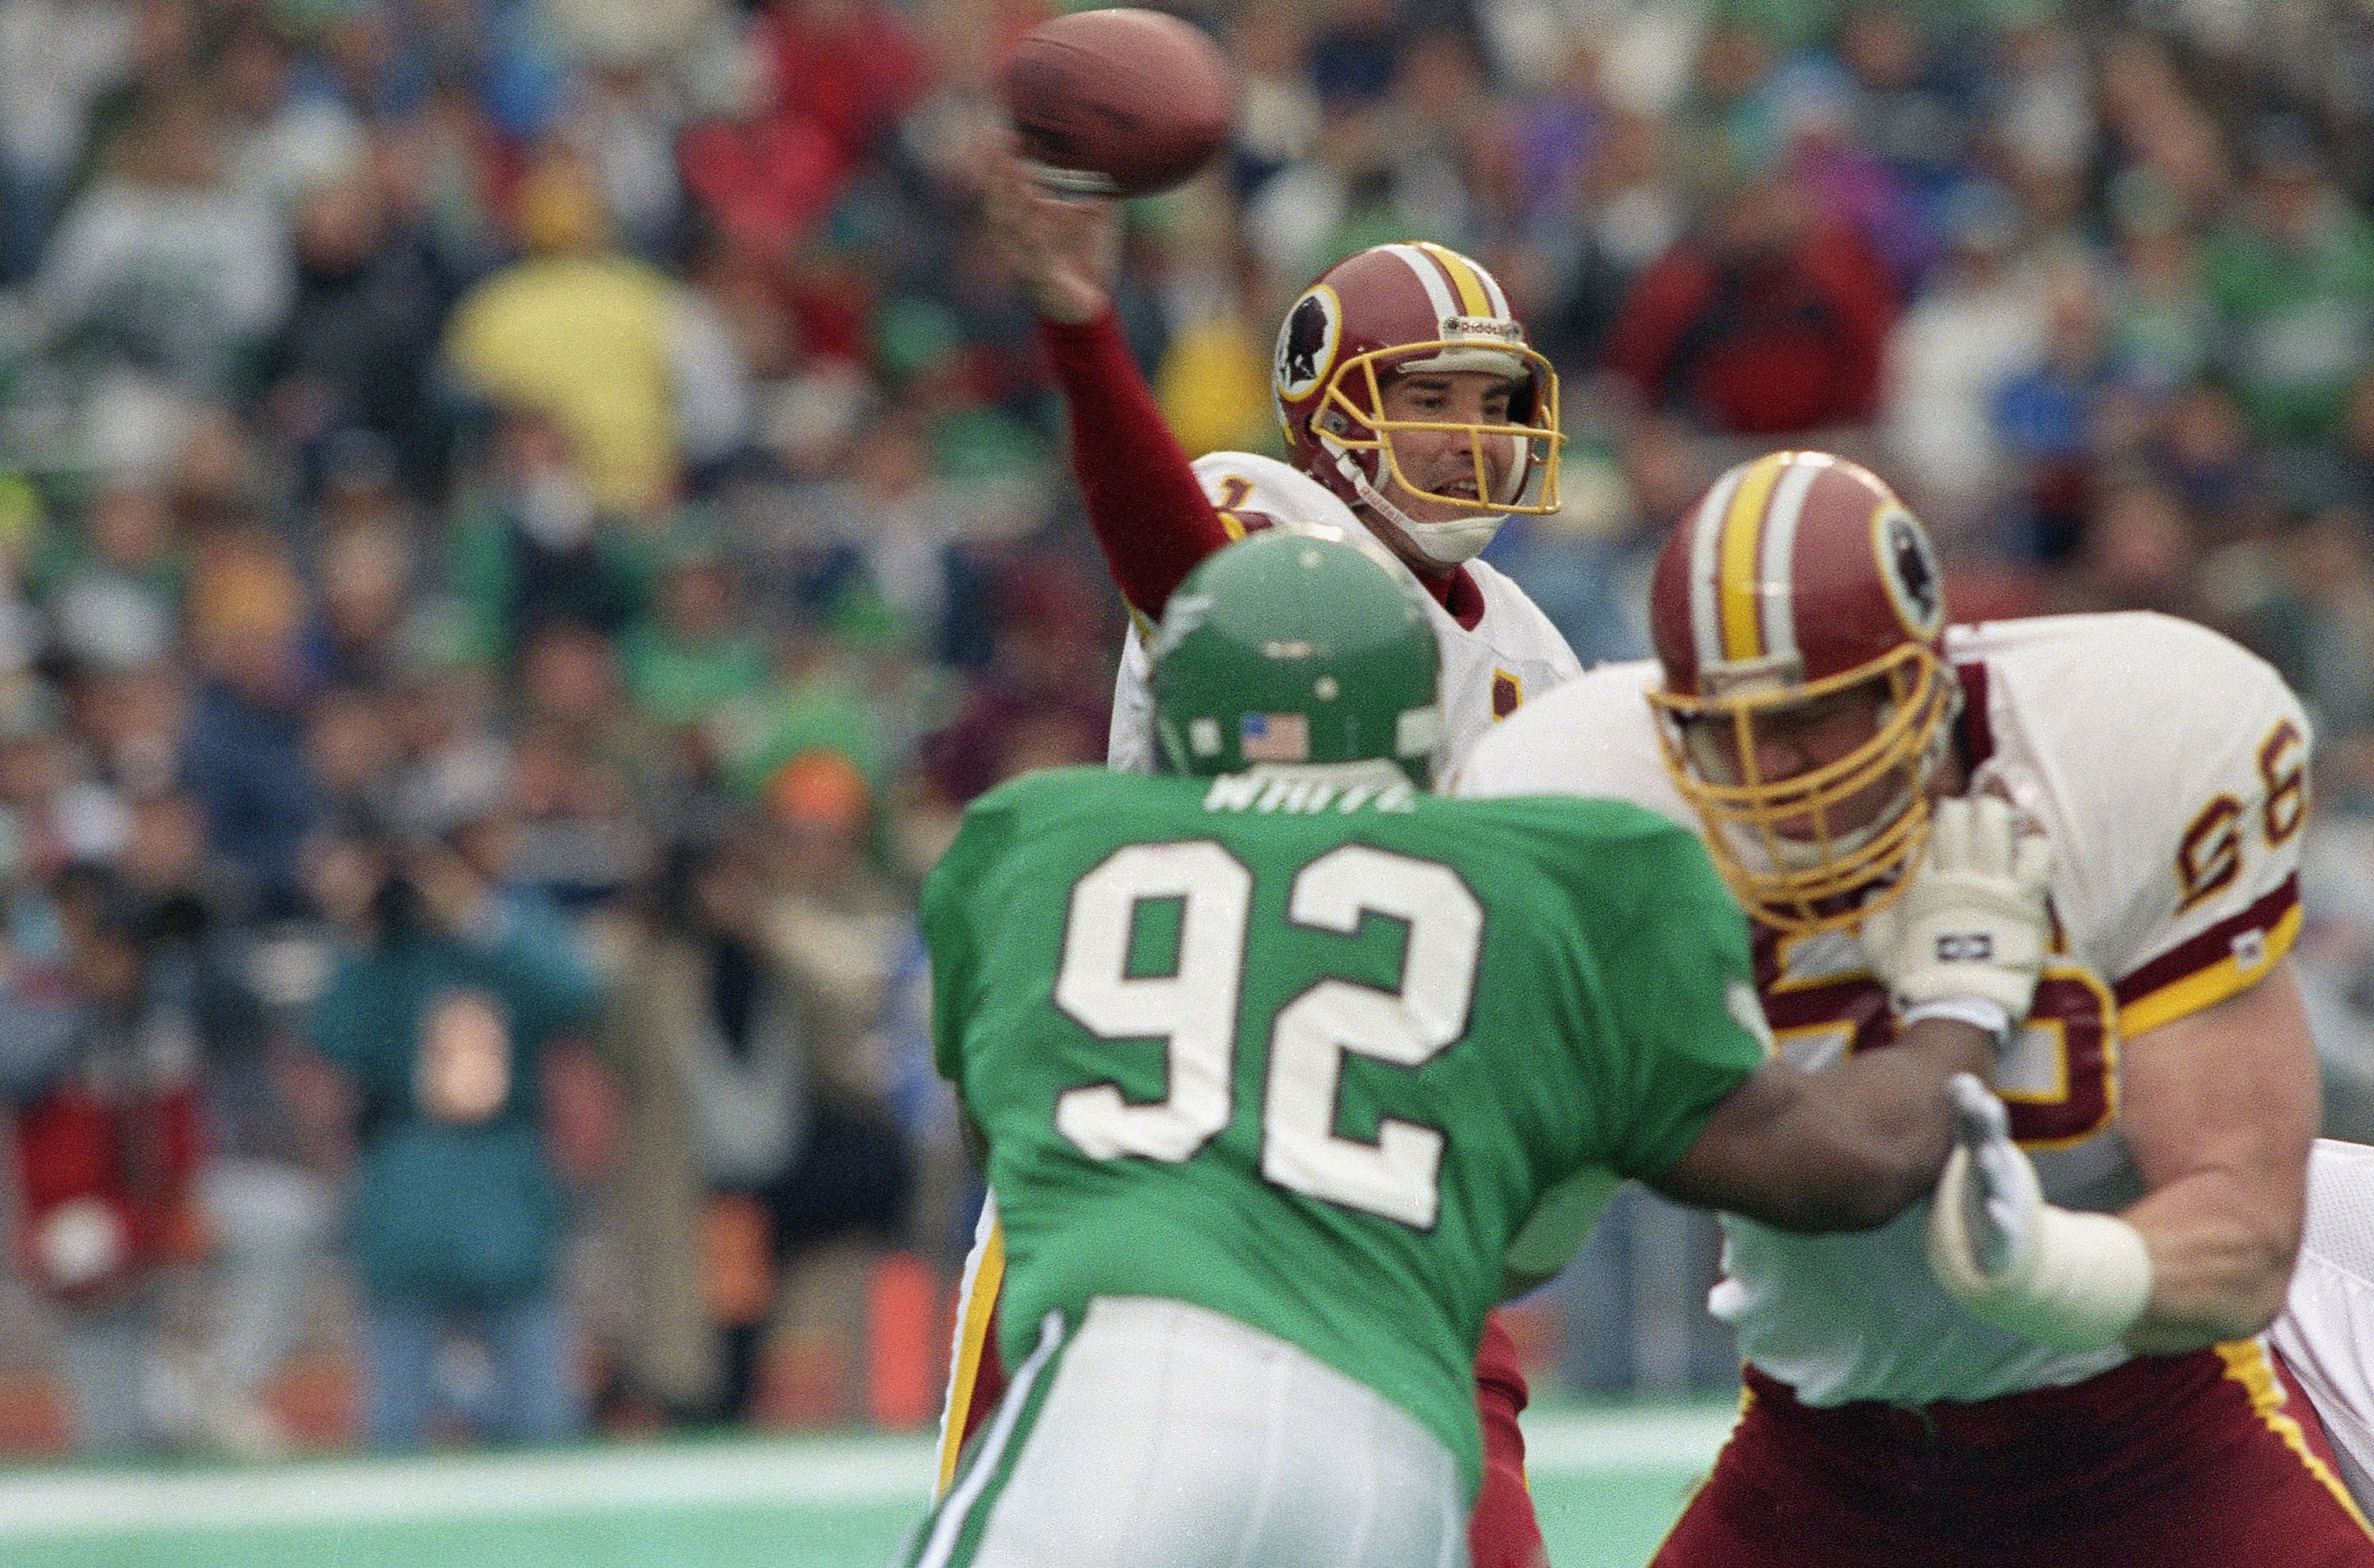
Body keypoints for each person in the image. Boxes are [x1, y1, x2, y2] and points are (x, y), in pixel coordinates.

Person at [910, 530, 2056, 1566]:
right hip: (1393, 1453)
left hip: (1132, 1399)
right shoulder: (1550, 876)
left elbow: (996, 1124)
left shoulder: (1032, 842)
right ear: (1422, 719)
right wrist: (1958, 988)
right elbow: (1845, 1167)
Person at [1454, 448, 2373, 1566]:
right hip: (1823, 1450)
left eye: (1824, 718)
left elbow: (2241, 1240)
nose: (1778, 773)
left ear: (1921, 681)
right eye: (1725, 732)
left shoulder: (2123, 757)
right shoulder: (1594, 800)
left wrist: (2049, 1273)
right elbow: (1524, 1235)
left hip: (2144, 1441)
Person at [936, 147, 1585, 1566]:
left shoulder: (1539, 657)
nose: (1467, 437)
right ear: (1331, 413)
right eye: (1425, 398)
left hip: (1392, 1183)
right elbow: (1169, 545)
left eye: (1491, 402)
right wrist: (1084, 336)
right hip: (1145, 1163)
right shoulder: (1265, 527)